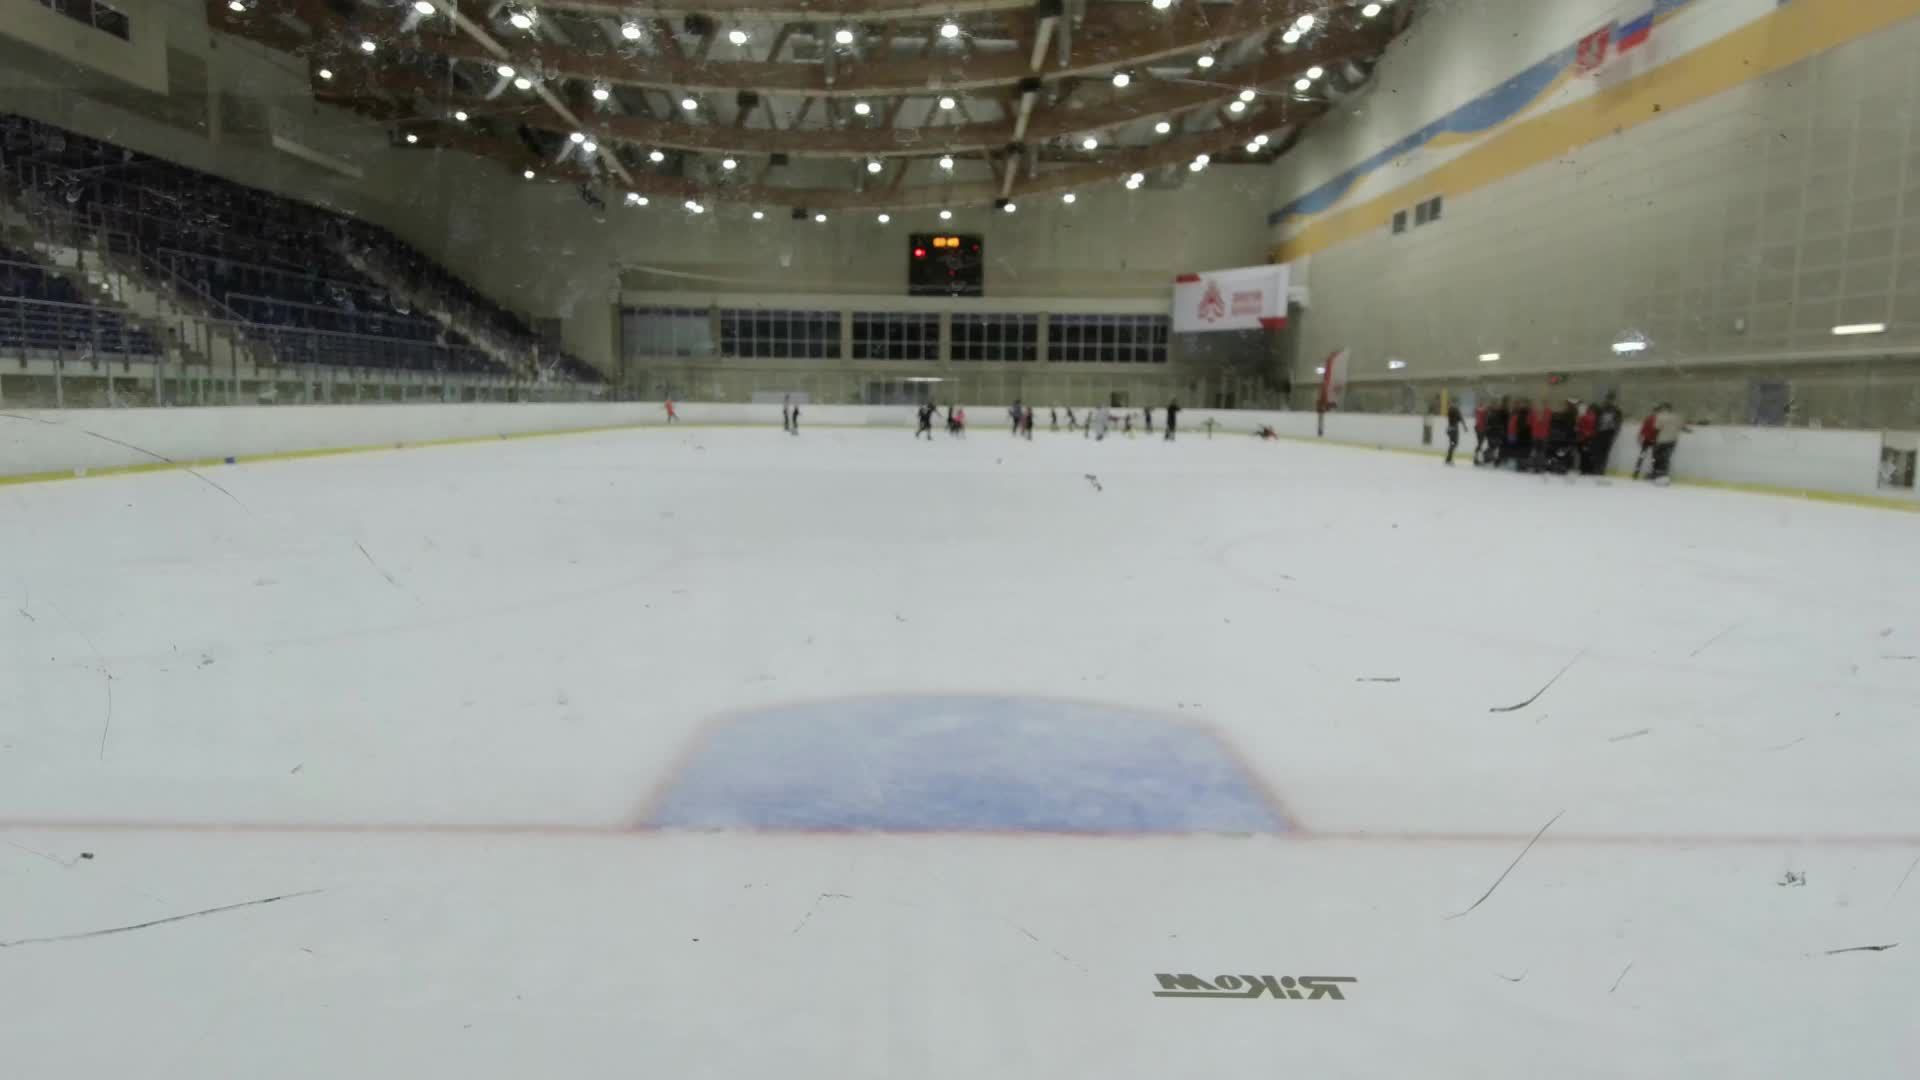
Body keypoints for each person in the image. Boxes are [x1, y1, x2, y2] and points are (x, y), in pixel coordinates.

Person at [1649, 403, 1687, 483]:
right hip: (1672, 440)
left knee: (1658, 458)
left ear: (1664, 408)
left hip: (1662, 440)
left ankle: (1657, 474)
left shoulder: (1660, 416)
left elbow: (1657, 428)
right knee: (1666, 458)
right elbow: (1682, 427)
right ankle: (1664, 475)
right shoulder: (1676, 417)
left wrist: (1654, 439)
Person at [1591, 394, 1623, 475]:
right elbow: (1596, 420)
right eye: (1608, 399)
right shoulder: (1601, 409)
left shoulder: (1616, 411)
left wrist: (1615, 433)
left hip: (1609, 433)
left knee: (1605, 453)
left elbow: (1618, 423)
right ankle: (1596, 468)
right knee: (1597, 451)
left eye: (1611, 400)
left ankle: (1601, 469)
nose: (1610, 401)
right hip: (1599, 433)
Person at [1632, 408, 1659, 478]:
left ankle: (1636, 471)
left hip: (1649, 440)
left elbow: (1643, 428)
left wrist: (1640, 436)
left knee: (1645, 456)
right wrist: (1640, 436)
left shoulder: (1650, 419)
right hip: (1652, 440)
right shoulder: (1652, 419)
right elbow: (1644, 428)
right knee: (1652, 457)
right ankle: (1649, 472)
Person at [1528, 399, 1551, 473]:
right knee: (1538, 452)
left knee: (1538, 451)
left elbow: (1529, 422)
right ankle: (1537, 467)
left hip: (1540, 435)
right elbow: (1530, 422)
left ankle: (1537, 466)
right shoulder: (1543, 412)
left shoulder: (1543, 412)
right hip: (1540, 435)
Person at [1574, 402, 1598, 474]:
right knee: (1586, 454)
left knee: (1583, 454)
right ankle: (1587, 469)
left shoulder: (1584, 417)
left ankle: (1584, 469)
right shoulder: (1594, 417)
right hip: (1589, 438)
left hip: (1584, 438)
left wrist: (1580, 432)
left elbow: (1579, 427)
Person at [1444, 401, 1465, 465]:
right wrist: (1464, 426)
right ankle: (1448, 459)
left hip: (1450, 428)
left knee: (1452, 444)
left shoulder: (1450, 409)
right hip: (1454, 429)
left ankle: (1448, 458)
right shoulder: (1455, 409)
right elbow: (1460, 418)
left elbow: (1455, 418)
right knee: (1454, 443)